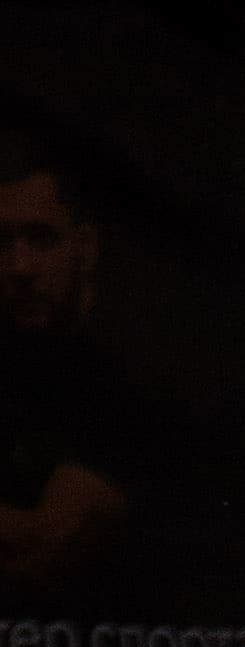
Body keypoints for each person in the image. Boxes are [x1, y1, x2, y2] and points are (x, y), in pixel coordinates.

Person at [0, 123, 146, 598]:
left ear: (85, 248)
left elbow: (46, 546)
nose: (19, 267)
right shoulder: (19, 364)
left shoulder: (125, 382)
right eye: (2, 243)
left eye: (41, 239)